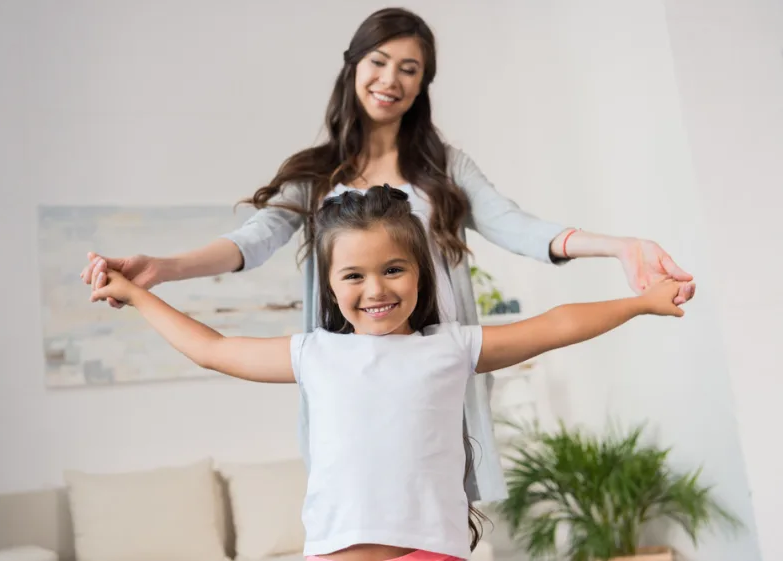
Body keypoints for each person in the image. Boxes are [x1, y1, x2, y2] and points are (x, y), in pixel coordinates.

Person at [80, 7, 695, 503]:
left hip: (438, 363)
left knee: (435, 497)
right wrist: (161, 269)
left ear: (422, 84)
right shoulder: (316, 177)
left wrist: (619, 246)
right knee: (362, 490)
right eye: (379, 61)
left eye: (410, 68)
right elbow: (251, 242)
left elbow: (520, 228)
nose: (391, 79)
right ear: (353, 67)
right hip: (355, 369)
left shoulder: (444, 170)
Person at [89, 186, 689, 561]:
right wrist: (136, 294)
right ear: (329, 286)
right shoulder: (315, 354)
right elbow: (212, 348)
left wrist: (642, 302)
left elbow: (557, 323)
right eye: (353, 276)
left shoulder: (451, 347)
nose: (375, 289)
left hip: (432, 554)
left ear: (421, 275)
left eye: (395, 269)